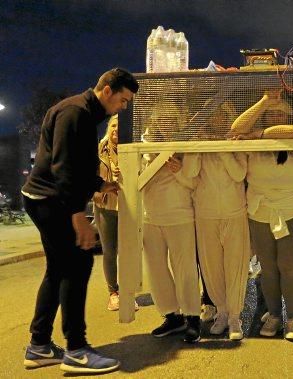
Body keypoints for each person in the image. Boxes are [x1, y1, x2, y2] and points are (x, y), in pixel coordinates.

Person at [21, 68, 138, 374]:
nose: (123, 108)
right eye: (123, 100)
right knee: (77, 266)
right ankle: (76, 350)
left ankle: (39, 347)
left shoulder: (84, 112)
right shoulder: (76, 112)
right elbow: (62, 167)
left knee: (59, 270)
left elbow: (77, 164)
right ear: (108, 90)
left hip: (45, 198)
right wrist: (78, 215)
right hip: (52, 201)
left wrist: (99, 185)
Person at [231, 91, 293, 341]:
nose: (276, 118)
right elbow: (237, 127)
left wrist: (258, 134)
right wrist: (264, 100)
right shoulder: (255, 145)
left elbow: (287, 131)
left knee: (288, 266)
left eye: (281, 114)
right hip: (259, 211)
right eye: (271, 115)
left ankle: (292, 317)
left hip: (292, 211)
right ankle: (274, 314)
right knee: (267, 268)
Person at [189, 102, 250, 341]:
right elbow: (192, 173)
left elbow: (238, 174)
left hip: (235, 212)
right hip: (206, 213)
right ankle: (221, 312)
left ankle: (235, 317)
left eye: (221, 115)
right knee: (212, 268)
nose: (216, 120)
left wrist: (223, 148)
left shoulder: (237, 143)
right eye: (212, 116)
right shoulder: (200, 142)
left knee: (235, 267)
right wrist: (199, 145)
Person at [141, 103, 201, 344]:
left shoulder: (187, 146)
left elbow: (195, 183)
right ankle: (171, 315)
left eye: (169, 119)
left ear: (177, 121)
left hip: (180, 215)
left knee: (184, 267)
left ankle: (193, 317)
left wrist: (178, 171)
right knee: (156, 269)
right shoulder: (144, 147)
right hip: (150, 216)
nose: (164, 123)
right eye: (160, 119)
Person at [92, 115, 138, 312]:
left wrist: (128, 172)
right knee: (109, 251)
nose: (116, 130)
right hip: (105, 206)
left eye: (120, 126)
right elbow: (86, 176)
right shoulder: (97, 150)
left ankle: (128, 293)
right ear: (107, 128)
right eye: (112, 125)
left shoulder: (133, 148)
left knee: (127, 252)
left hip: (129, 206)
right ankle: (114, 293)